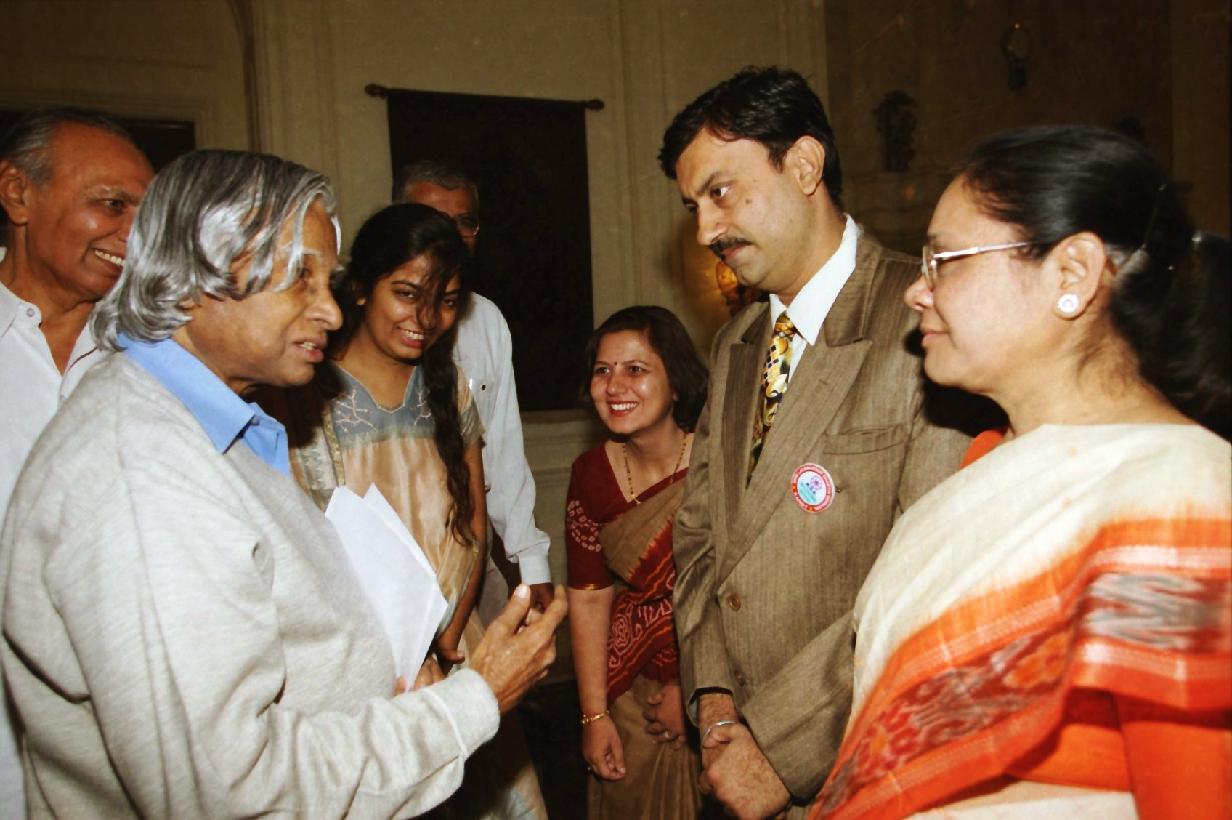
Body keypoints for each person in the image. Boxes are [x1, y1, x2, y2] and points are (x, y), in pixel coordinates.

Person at [0, 149, 566, 817]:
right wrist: (472, 701)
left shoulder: (211, 428)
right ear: (191, 280)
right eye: (301, 278)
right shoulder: (141, 471)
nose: (330, 310)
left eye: (328, 280)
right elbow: (227, 789)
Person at [813, 126, 1231, 819]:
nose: (917, 291)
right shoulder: (978, 474)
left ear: (1072, 274)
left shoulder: (1183, 500)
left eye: (944, 260)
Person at [657, 66, 976, 817]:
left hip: (866, 763)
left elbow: (927, 584)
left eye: (721, 192)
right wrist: (716, 704)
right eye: (694, 206)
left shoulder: (924, 324)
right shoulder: (738, 344)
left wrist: (780, 747)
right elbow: (699, 541)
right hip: (733, 754)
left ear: (804, 165)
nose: (705, 231)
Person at [280, 202, 548, 819]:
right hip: (354, 652)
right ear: (360, 288)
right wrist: (389, 657)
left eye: (446, 301)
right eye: (407, 294)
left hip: (451, 639)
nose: (426, 319)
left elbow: (473, 523)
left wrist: (449, 637)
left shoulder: (450, 388)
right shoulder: (306, 394)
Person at [0, 106, 153, 815]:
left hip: (122, 744)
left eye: (145, 216)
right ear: (17, 194)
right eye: (112, 205)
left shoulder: (153, 359)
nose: (132, 236)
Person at [566, 306, 709, 819]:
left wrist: (696, 694)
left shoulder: (719, 463)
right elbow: (588, 598)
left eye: (635, 369)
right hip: (629, 695)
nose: (614, 386)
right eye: (602, 370)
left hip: (720, 687)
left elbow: (742, 594)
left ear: (677, 384)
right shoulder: (592, 475)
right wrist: (594, 716)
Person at [395, 160, 554, 616]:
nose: (450, 235)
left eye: (464, 222)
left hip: (471, 557)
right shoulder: (366, 323)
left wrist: (531, 564)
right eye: (433, 219)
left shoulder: (486, 320)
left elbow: (502, 451)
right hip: (392, 567)